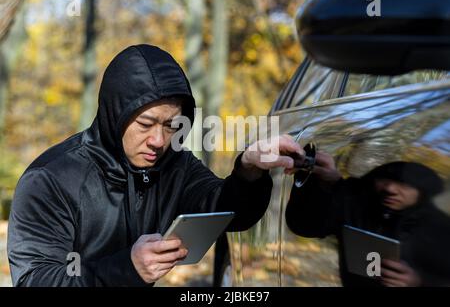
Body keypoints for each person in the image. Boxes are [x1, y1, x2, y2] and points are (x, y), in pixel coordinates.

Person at [7, 44, 305, 287]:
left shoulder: (175, 164)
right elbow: (35, 280)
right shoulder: (50, 179)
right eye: (145, 124)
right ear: (115, 115)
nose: (159, 140)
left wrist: (249, 171)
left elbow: (225, 211)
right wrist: (126, 269)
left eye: (172, 125)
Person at [286, 151, 450, 287]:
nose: (390, 188)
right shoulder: (359, 204)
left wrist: (419, 281)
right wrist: (327, 184)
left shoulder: (440, 228)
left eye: (406, 185)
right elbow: (305, 225)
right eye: (383, 179)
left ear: (423, 192)